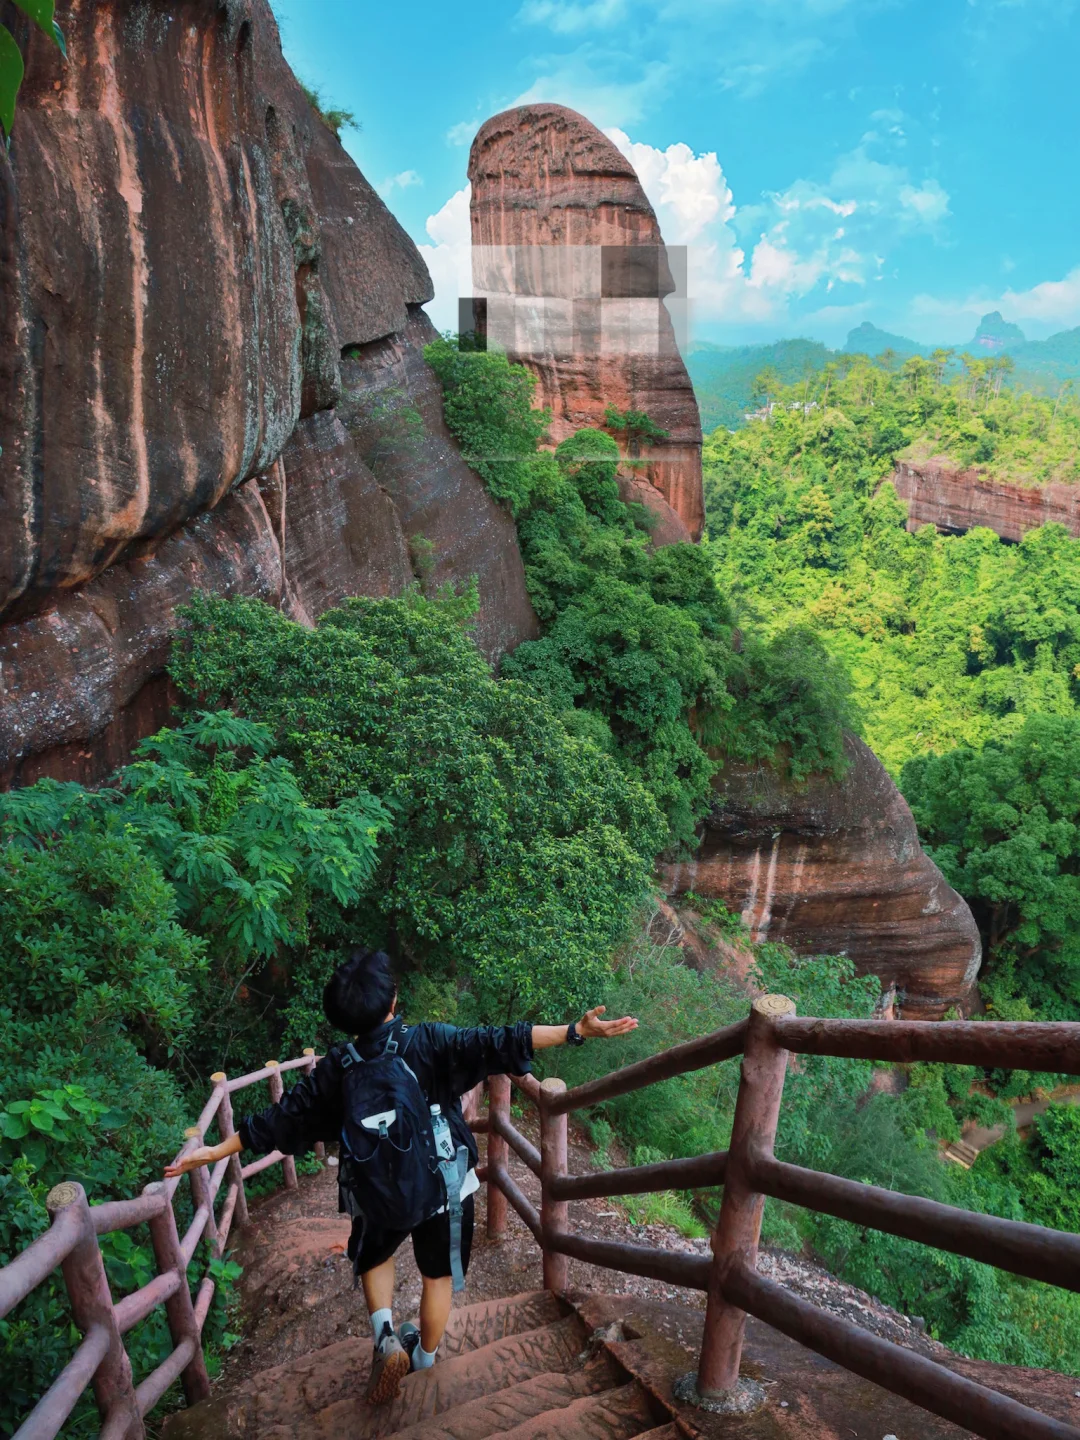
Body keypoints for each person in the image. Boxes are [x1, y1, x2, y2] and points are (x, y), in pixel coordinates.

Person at [165, 946, 638, 1404]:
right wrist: (575, 1030)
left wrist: (217, 1150)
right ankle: (424, 1359)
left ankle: (386, 1337)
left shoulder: (338, 1066)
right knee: (438, 1276)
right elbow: (497, 1040)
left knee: (374, 1256)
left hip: (375, 1188)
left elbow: (284, 1116)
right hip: (443, 1184)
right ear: (393, 1000)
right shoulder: (427, 1041)